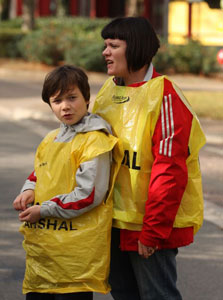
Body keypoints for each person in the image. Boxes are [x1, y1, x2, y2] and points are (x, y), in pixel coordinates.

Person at [92, 17, 206, 300]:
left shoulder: (164, 95)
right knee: (123, 294)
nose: (105, 52)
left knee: (157, 296)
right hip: (113, 223)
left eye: (113, 45)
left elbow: (169, 170)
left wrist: (152, 231)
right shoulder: (107, 92)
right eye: (105, 45)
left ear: (136, 48)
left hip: (149, 228)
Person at [13, 65, 121, 300]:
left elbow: (89, 195)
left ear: (86, 98)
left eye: (72, 97)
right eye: (57, 100)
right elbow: (40, 172)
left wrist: (44, 210)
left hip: (75, 260)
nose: (65, 106)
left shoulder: (95, 141)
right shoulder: (51, 138)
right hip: (45, 254)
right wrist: (29, 190)